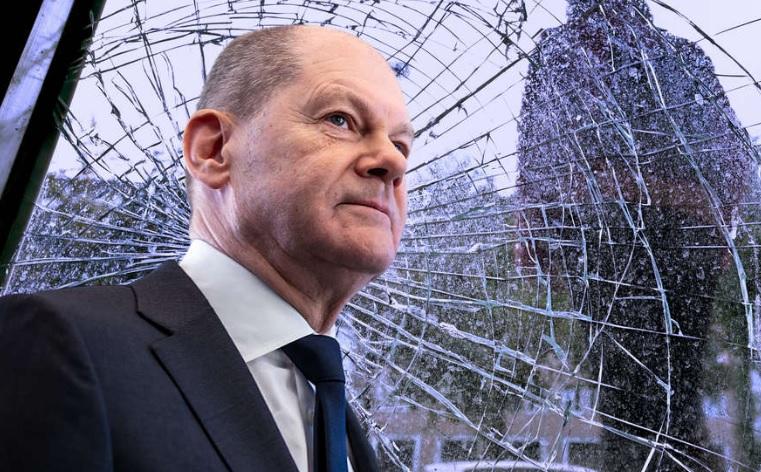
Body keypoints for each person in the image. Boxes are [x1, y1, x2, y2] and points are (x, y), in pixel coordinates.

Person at [0, 24, 414, 472]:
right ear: (213, 150)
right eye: (340, 120)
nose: (392, 161)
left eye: (400, 144)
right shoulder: (57, 344)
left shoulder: (334, 413)